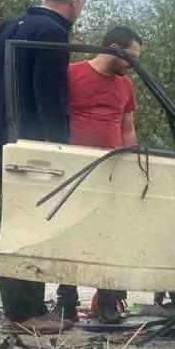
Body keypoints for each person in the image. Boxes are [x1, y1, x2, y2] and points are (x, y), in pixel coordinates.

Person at [0, 0, 88, 335]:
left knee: (16, 224)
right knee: (33, 227)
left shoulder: (8, 26)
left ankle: (18, 310)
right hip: (33, 149)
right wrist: (60, 150)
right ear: (76, 0)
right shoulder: (52, 33)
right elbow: (49, 97)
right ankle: (25, 313)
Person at [67, 26, 143, 323]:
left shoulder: (125, 86)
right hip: (76, 169)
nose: (132, 65)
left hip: (112, 169)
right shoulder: (71, 74)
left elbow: (127, 127)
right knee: (71, 233)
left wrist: (133, 164)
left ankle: (109, 300)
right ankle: (67, 300)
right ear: (113, 48)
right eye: (130, 58)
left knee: (112, 235)